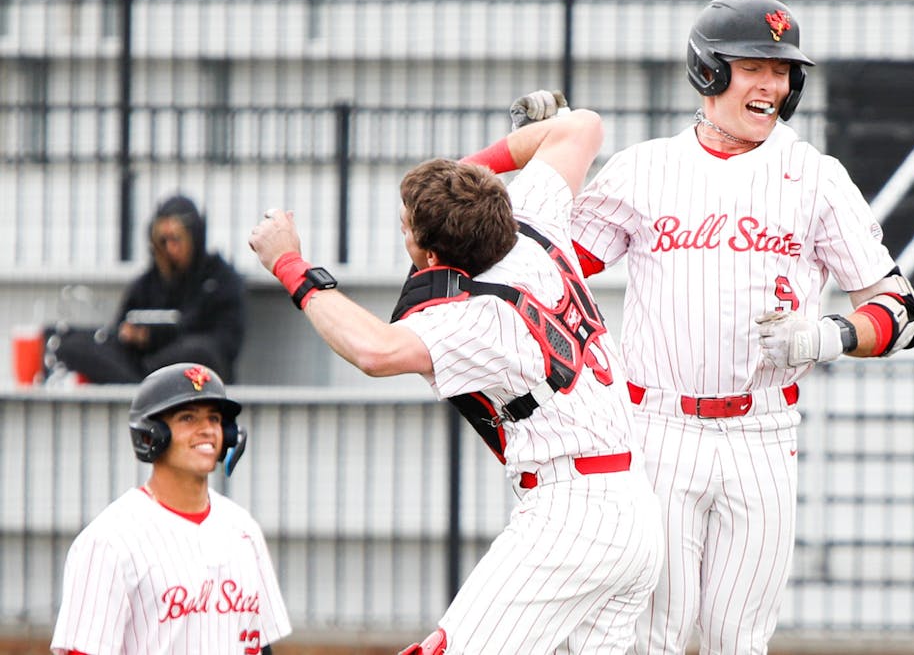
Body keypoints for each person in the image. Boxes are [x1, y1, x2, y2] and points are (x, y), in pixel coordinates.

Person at [568, 0, 914, 655]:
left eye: (783, 70)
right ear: (709, 71)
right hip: (658, 431)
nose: (772, 85)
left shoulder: (815, 177)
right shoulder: (644, 169)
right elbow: (553, 271)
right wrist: (540, 162)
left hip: (763, 433)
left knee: (740, 640)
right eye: (754, 66)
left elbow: (900, 314)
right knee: (652, 636)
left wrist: (830, 336)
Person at [248, 91, 664, 655]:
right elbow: (582, 126)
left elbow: (374, 350)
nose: (403, 238)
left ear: (435, 252)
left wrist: (289, 265)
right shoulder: (531, 221)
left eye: (408, 229)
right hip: (633, 508)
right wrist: (469, 177)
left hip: (573, 514)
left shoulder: (477, 317)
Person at [50, 362, 292, 654]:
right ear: (152, 434)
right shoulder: (109, 541)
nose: (207, 430)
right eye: (188, 417)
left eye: (214, 419)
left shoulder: (243, 530)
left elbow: (260, 644)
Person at [52, 195, 247, 383]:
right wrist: (132, 336)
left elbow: (225, 343)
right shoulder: (147, 283)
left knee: (198, 352)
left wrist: (162, 335)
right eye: (163, 241)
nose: (170, 248)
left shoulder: (221, 281)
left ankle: (142, 385)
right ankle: (142, 386)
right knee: (73, 346)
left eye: (177, 239)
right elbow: (120, 331)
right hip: (139, 365)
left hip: (193, 372)